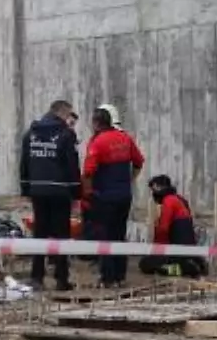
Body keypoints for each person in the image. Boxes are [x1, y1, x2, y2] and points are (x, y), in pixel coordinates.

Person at [19, 100, 81, 291]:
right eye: (69, 115)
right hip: (60, 190)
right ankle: (61, 279)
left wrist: (26, 189)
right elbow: (72, 165)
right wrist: (76, 193)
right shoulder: (66, 134)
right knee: (61, 235)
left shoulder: (31, 133)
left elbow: (24, 163)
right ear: (63, 113)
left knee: (40, 233)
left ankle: (37, 277)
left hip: (38, 189)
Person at [82, 106, 145, 288]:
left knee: (105, 237)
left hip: (104, 197)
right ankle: (120, 276)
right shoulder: (125, 138)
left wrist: (89, 194)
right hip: (124, 196)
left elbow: (88, 173)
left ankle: (108, 278)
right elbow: (139, 162)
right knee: (119, 235)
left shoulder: (98, 142)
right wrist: (129, 180)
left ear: (95, 123)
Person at [139, 175, 205, 278]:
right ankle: (193, 264)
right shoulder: (181, 200)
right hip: (188, 249)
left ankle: (186, 269)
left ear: (158, 187)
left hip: (177, 250)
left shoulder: (169, 201)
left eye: (153, 189)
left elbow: (163, 229)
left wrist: (156, 250)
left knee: (145, 264)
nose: (153, 194)